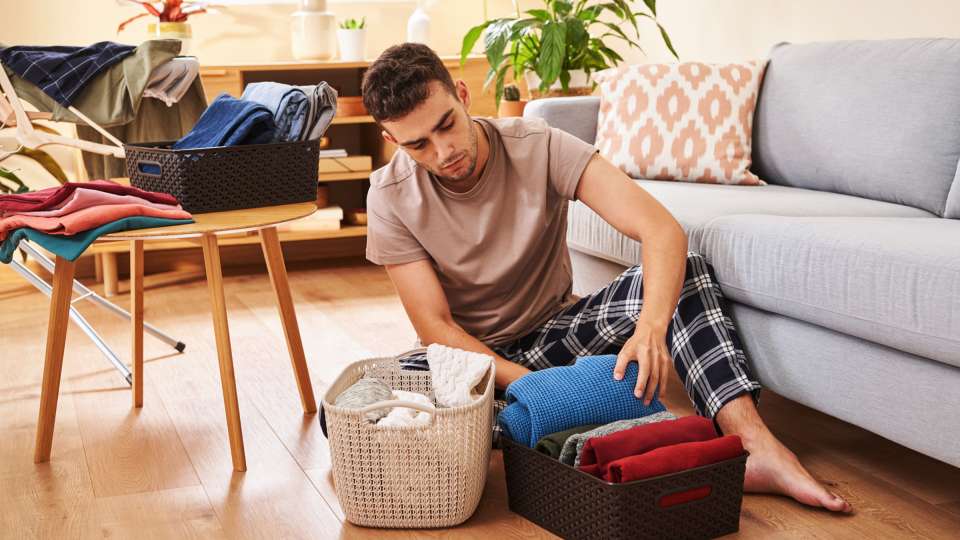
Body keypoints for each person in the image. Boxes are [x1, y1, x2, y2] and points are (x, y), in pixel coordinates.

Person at [359, 42, 851, 513]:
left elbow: (660, 230)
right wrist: (537, 387)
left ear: (463, 95)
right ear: (392, 140)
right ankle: (571, 416)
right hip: (468, 364)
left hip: (556, 335)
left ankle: (751, 444)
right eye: (418, 144)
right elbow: (436, 329)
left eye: (446, 125)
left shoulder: (538, 145)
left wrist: (651, 329)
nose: (443, 151)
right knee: (365, 406)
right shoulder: (389, 195)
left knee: (689, 272)